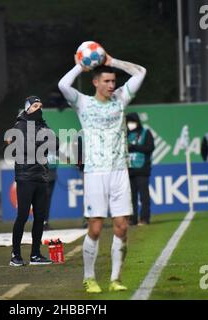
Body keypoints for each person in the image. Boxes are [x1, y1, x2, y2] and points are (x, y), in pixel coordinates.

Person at [58, 52, 146, 293]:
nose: (111, 85)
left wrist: (111, 61)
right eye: (106, 81)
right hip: (95, 173)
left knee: (122, 226)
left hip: (119, 171)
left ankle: (115, 278)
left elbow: (141, 72)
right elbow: (62, 85)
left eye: (113, 82)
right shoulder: (83, 103)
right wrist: (80, 66)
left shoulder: (120, 100)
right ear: (95, 82)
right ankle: (89, 277)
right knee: (95, 227)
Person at [7, 96, 56, 267]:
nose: (39, 109)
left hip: (41, 176)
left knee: (40, 217)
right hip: (26, 177)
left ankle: (35, 254)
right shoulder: (20, 125)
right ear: (27, 108)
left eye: (40, 106)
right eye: (35, 106)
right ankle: (16, 255)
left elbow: (54, 144)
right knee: (22, 216)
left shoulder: (42, 125)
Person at [126, 112, 155, 226]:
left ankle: (144, 218)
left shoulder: (145, 133)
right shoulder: (126, 134)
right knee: (131, 197)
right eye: (128, 122)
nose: (130, 124)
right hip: (129, 170)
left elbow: (150, 148)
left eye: (132, 122)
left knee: (144, 196)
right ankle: (132, 219)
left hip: (142, 169)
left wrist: (134, 147)